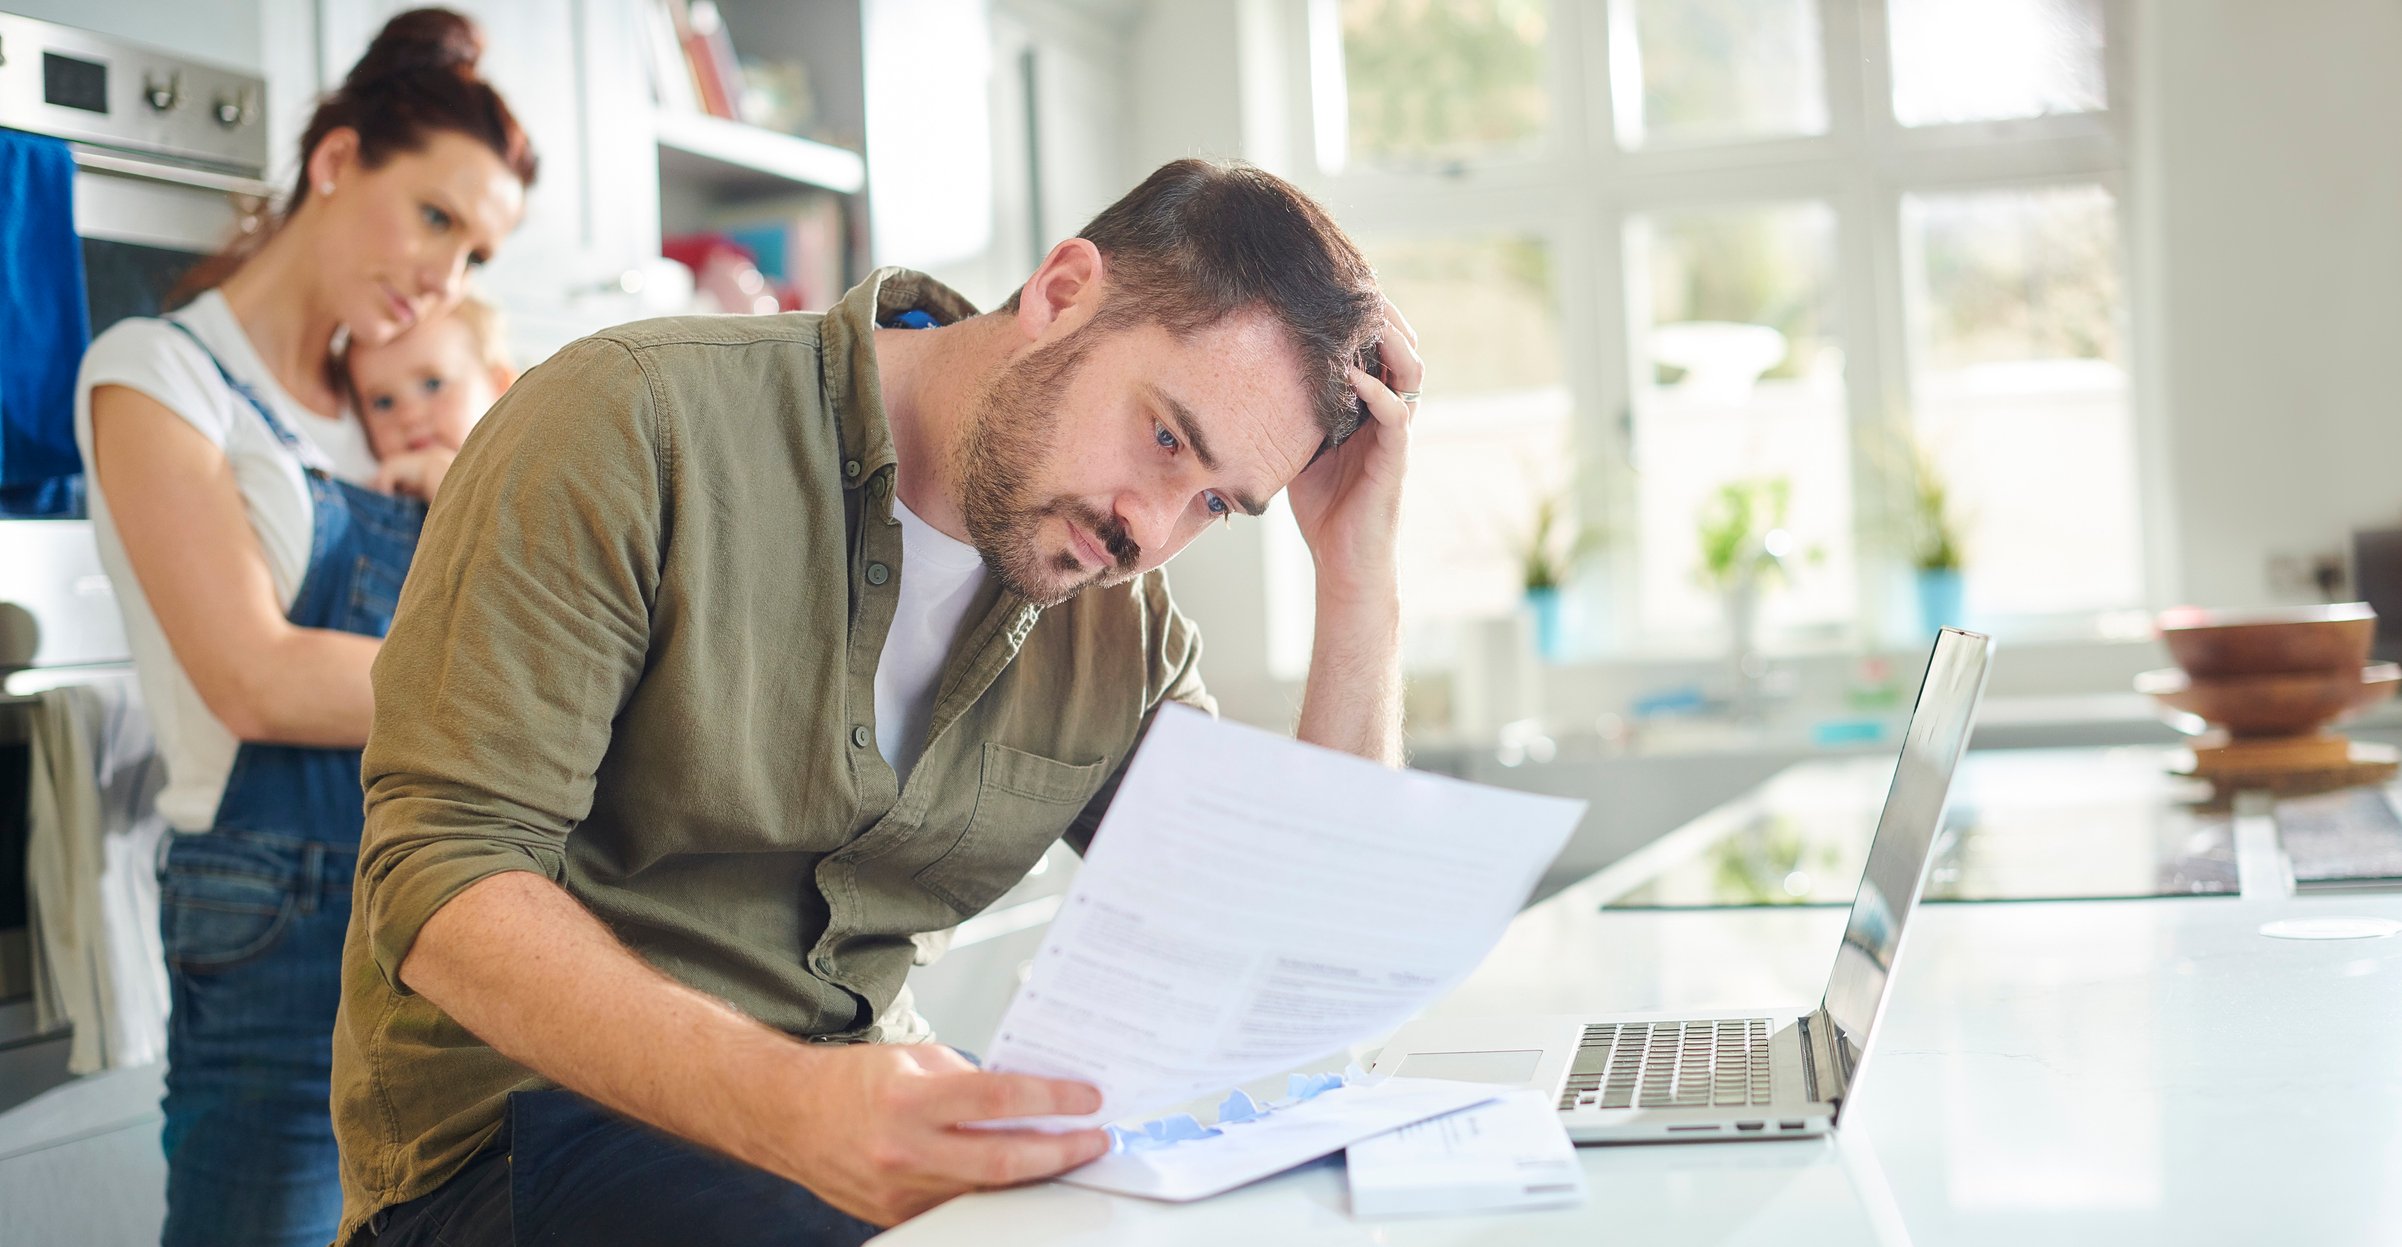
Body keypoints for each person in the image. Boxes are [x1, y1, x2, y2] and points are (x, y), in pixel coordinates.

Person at [335, 158, 1423, 1247]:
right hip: (519, 1143)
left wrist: (1356, 573)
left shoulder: (1117, 623)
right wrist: (788, 1104)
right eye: (1166, 438)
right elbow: (441, 875)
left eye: (1215, 504)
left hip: (848, 1136)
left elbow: (1284, 948)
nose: (1151, 529)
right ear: (1059, 293)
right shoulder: (632, 417)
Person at [69, 10, 535, 1246]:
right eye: (435, 217)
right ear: (335, 163)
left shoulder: (394, 408)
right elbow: (256, 676)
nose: (447, 275)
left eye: (478, 252)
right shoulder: (158, 373)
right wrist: (546, 697)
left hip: (444, 898)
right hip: (271, 909)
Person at [346, 294, 517, 501]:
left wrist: (442, 476)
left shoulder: (526, 475)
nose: (410, 416)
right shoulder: (376, 489)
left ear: (500, 387)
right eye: (384, 402)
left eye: (433, 384)